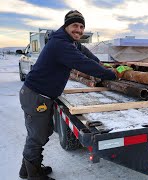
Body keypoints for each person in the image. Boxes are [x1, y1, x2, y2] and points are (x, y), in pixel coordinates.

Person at [19, 10, 130, 180]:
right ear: (66, 26)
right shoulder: (60, 45)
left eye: (81, 27)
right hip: (36, 96)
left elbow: (84, 52)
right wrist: (113, 74)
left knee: (40, 133)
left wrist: (100, 63)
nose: (78, 30)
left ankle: (26, 170)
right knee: (37, 136)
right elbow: (83, 63)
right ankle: (34, 175)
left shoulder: (69, 41)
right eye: (75, 26)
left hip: (39, 94)